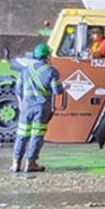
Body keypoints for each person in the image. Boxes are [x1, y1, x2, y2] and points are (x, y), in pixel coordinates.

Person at [11, 43, 63, 173]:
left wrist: (22, 105)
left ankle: (16, 163)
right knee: (36, 135)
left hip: (26, 108)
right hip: (41, 109)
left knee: (22, 135)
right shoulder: (51, 71)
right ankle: (31, 163)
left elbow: (18, 91)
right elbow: (58, 91)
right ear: (46, 57)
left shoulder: (25, 71)